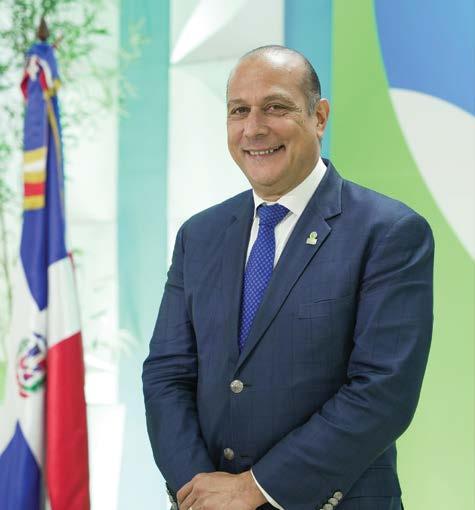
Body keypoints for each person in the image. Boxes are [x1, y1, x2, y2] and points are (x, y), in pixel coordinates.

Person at [142, 45, 434, 510]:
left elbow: (383, 393)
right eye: (239, 111)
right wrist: (197, 488)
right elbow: (166, 374)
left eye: (275, 107)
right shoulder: (199, 235)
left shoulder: (389, 232)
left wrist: (252, 489)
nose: (254, 128)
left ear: (319, 117)